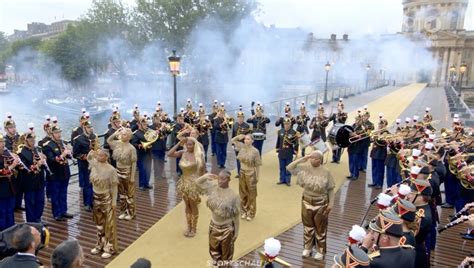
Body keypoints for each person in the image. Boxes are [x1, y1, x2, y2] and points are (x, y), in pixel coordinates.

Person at [287, 150, 335, 260]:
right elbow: (289, 168)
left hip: (321, 202)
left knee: (320, 228)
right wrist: (303, 158)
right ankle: (307, 248)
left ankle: (320, 251)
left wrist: (331, 204)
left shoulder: (326, 171)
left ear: (321, 160)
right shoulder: (305, 167)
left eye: (316, 158)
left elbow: (331, 189)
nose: (313, 159)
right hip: (306, 200)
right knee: (308, 227)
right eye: (312, 157)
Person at [196, 170, 240, 264]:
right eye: (219, 178)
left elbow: (236, 216)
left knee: (226, 256)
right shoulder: (213, 188)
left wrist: (236, 232)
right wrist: (205, 176)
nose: (220, 181)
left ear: (228, 179)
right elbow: (197, 183)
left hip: (227, 229)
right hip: (214, 226)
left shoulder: (234, 196)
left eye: (223, 179)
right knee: (214, 253)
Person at [167, 137, 205, 237]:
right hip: (184, 182)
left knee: (193, 205)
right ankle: (189, 226)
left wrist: (201, 184)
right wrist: (178, 143)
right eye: (187, 144)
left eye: (190, 144)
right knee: (187, 205)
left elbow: (202, 171)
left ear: (194, 145)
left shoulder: (199, 155)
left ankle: (194, 228)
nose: (188, 146)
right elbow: (169, 154)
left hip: (194, 183)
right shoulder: (183, 152)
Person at [87, 149, 118, 259]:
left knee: (108, 224)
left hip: (106, 198)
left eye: (101, 155)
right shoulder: (94, 165)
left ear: (106, 157)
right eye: (98, 155)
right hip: (96, 197)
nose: (99, 157)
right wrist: (91, 153)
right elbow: (89, 158)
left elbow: (114, 186)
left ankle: (109, 248)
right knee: (99, 224)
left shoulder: (111, 170)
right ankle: (100, 244)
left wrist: (114, 201)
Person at [43, 125, 73, 221]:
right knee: (55, 194)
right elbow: (51, 159)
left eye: (59, 132)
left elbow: (67, 157)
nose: (59, 134)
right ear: (52, 134)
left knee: (63, 193)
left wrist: (69, 153)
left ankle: (63, 211)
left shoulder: (62, 143)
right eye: (56, 133)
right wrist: (63, 155)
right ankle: (57, 213)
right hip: (55, 174)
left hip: (65, 172)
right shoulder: (48, 146)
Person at [107, 127, 137, 221]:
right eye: (121, 134)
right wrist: (115, 133)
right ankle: (123, 211)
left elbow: (134, 163)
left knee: (129, 194)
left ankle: (131, 213)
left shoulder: (131, 148)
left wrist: (132, 177)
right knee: (122, 194)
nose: (121, 135)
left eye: (124, 134)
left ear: (128, 137)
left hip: (127, 172)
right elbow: (109, 140)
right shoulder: (118, 144)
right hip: (118, 171)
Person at [18, 131, 47, 223]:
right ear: (25, 141)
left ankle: (38, 218)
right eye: (30, 140)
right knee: (30, 203)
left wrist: (43, 160)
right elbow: (25, 169)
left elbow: (42, 165)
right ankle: (31, 222)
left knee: (41, 201)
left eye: (34, 139)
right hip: (29, 182)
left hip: (40, 180)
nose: (33, 142)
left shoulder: (37, 149)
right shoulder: (22, 153)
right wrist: (38, 164)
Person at [231, 134, 261, 221]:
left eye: (248, 139)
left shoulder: (255, 151)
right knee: (242, 192)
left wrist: (258, 176)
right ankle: (244, 211)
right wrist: (239, 136)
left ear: (252, 140)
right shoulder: (241, 147)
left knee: (252, 194)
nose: (246, 141)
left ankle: (251, 213)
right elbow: (232, 141)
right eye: (245, 139)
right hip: (242, 172)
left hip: (251, 173)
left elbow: (257, 165)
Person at [72, 120, 97, 211]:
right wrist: (83, 157)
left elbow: (97, 148)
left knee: (94, 182)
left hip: (94, 164)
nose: (90, 129)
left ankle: (92, 200)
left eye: (91, 127)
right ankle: (87, 203)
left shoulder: (94, 136)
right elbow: (75, 154)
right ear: (84, 128)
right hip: (85, 164)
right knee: (87, 184)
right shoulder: (79, 139)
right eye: (88, 127)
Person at [0, 134, 19, 231]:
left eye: (3, 142)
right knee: (2, 213)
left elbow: (16, 164)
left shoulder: (6, 153)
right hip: (1, 190)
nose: (3, 144)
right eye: (0, 142)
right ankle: (2, 235)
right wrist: (12, 166)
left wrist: (16, 159)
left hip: (10, 188)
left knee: (10, 211)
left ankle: (11, 231)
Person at [3, 115, 22, 212]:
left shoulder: (20, 138)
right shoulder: (4, 141)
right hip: (11, 167)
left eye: (14, 127)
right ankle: (13, 205)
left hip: (20, 165)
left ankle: (18, 204)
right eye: (11, 127)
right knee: (13, 186)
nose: (13, 129)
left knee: (20, 185)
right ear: (6, 129)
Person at [131, 116, 153, 190]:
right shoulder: (136, 133)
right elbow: (133, 143)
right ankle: (141, 185)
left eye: (146, 124)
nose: (145, 125)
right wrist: (139, 145)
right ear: (139, 125)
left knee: (148, 169)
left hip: (148, 153)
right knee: (142, 170)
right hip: (141, 154)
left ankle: (146, 183)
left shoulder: (148, 131)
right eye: (144, 124)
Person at [276, 118, 298, 186]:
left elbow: (296, 143)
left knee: (289, 167)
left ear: (290, 124)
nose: (286, 125)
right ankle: (282, 179)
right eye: (285, 124)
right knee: (282, 167)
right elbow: (278, 141)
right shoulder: (280, 131)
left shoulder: (293, 132)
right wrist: (277, 149)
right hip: (281, 152)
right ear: (283, 124)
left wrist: (295, 151)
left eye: (288, 124)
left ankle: (288, 180)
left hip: (289, 152)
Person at [368, 116, 389, 189]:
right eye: (379, 124)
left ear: (385, 125)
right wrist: (372, 137)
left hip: (381, 153)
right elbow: (371, 140)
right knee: (374, 168)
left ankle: (379, 183)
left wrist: (377, 135)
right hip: (374, 152)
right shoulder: (377, 132)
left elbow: (382, 142)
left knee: (380, 169)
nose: (379, 125)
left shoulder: (386, 133)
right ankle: (375, 182)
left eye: (381, 124)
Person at [150, 113, 170, 180]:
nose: (158, 120)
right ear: (153, 119)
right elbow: (154, 134)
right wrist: (161, 128)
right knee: (156, 162)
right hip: (156, 146)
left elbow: (167, 133)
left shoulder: (161, 125)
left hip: (162, 146)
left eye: (158, 118)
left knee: (161, 161)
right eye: (156, 119)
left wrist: (166, 129)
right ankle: (157, 175)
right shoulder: (151, 127)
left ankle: (160, 174)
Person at [232, 109, 251, 178]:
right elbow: (233, 135)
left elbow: (249, 137)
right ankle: (239, 173)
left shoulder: (246, 126)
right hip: (237, 145)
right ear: (237, 118)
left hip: (244, 145)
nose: (240, 118)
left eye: (241, 117)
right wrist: (232, 144)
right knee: (238, 159)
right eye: (239, 117)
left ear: (243, 118)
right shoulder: (235, 125)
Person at [329, 98, 347, 163]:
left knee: (339, 146)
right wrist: (330, 114)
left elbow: (343, 120)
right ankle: (334, 158)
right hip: (334, 131)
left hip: (340, 132)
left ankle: (338, 159)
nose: (339, 108)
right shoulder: (334, 115)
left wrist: (341, 112)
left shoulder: (344, 114)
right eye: (338, 107)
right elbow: (329, 119)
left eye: (340, 107)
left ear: (342, 108)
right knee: (333, 144)